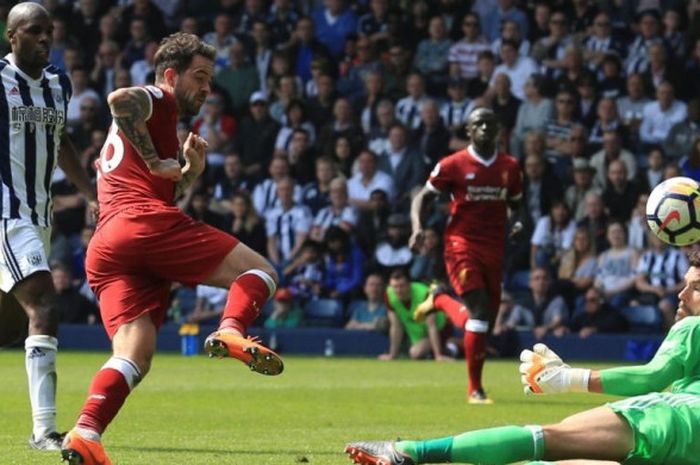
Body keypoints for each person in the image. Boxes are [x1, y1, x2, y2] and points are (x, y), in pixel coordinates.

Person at [60, 33, 282, 465]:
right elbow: (119, 97)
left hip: (109, 247)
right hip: (140, 225)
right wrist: (159, 161)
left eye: (210, 81)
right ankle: (231, 329)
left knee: (133, 354)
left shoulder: (158, 128)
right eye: (199, 77)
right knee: (260, 273)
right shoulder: (157, 99)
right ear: (170, 75)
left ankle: (85, 432)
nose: (206, 88)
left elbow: (161, 193)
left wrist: (188, 172)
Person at [344, 249, 700, 465]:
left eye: (695, 287)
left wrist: (570, 379)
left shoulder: (692, 327)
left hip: (676, 419)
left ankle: (409, 451)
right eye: (684, 283)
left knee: (544, 439)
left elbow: (653, 376)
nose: (681, 295)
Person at [0, 3, 97, 452]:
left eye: (49, 32)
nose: (45, 39)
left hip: (41, 218)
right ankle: (44, 431)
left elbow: (62, 143)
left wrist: (92, 193)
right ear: (11, 36)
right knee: (45, 305)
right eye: (34, 31)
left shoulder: (58, 83)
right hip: (6, 215)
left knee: (10, 328)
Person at [409, 108, 522, 403]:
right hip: (461, 245)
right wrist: (418, 227)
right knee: (480, 312)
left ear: (498, 130)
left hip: (494, 247)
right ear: (468, 131)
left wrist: (518, 223)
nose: (484, 128)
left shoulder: (510, 166)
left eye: (489, 123)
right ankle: (475, 389)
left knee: (483, 322)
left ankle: (440, 300)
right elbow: (423, 196)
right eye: (478, 124)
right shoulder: (453, 164)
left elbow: (517, 204)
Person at [379, 269, 450, 362]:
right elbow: (396, 326)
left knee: (415, 353)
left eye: (402, 286)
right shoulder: (389, 295)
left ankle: (442, 351)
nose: (398, 290)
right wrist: (392, 355)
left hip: (440, 329)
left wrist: (438, 356)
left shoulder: (424, 294)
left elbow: (432, 326)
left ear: (409, 285)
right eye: (395, 287)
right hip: (416, 332)